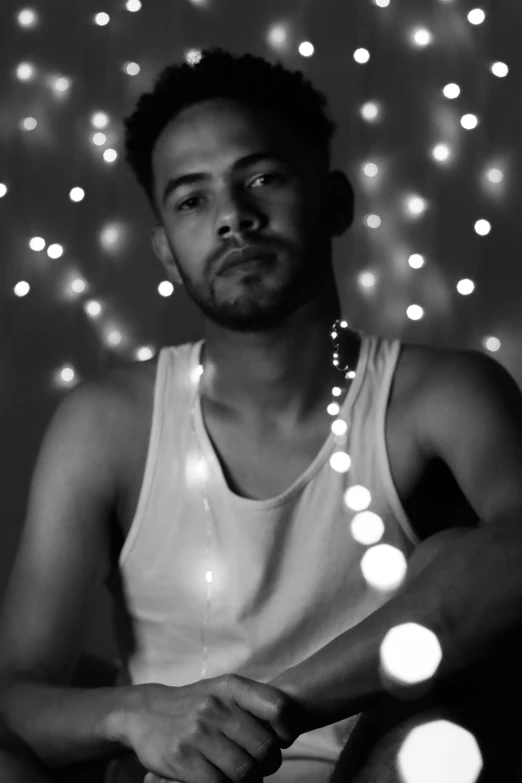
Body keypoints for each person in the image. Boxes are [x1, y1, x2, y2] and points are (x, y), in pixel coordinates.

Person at [1, 47, 522, 783]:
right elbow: (17, 687)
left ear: (335, 200)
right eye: (192, 199)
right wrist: (136, 713)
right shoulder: (106, 422)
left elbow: (514, 557)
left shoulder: (445, 394)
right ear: (166, 253)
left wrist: (267, 709)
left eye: (263, 178)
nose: (234, 220)